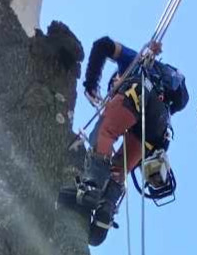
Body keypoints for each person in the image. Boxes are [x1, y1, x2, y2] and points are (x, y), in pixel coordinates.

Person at [71, 35, 189, 228]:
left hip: (139, 94)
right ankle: (105, 209)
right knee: (119, 167)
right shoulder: (162, 85)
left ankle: (92, 186)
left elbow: (102, 44)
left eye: (113, 91)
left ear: (117, 80)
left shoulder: (133, 65)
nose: (111, 98)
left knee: (103, 133)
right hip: (159, 128)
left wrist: (91, 84)